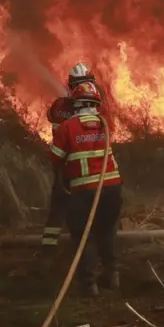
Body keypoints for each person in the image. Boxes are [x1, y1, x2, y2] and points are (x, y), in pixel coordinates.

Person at [49, 80, 122, 296]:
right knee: (107, 232)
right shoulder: (104, 124)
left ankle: (89, 285)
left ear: (75, 103)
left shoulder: (67, 127)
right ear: (96, 103)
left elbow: (55, 157)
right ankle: (113, 276)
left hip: (83, 191)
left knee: (82, 236)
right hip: (112, 188)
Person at [41, 63, 99, 247]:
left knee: (60, 206)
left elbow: (51, 115)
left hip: (63, 162)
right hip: (79, 165)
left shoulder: (59, 105)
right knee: (79, 206)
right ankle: (77, 246)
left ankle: (50, 247)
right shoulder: (89, 108)